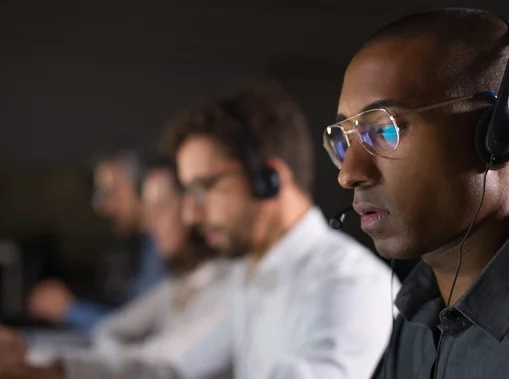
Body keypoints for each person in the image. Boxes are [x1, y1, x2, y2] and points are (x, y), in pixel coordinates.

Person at [322, 7, 509, 378]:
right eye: (345, 140)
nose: (349, 175)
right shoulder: (414, 320)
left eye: (385, 130)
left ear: (497, 135)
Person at [161, 80, 399, 379]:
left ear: (270, 179)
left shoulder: (349, 284)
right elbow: (177, 369)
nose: (190, 214)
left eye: (206, 187)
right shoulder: (252, 273)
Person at [0, 154, 237, 379]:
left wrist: (38, 367)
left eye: (161, 208)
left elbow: (163, 366)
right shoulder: (182, 280)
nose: (150, 222)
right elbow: (114, 332)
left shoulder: (228, 284)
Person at [27, 150, 165, 333]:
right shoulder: (144, 246)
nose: (103, 206)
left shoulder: (163, 248)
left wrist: (69, 310)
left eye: (111, 191)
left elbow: (137, 333)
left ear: (142, 187)